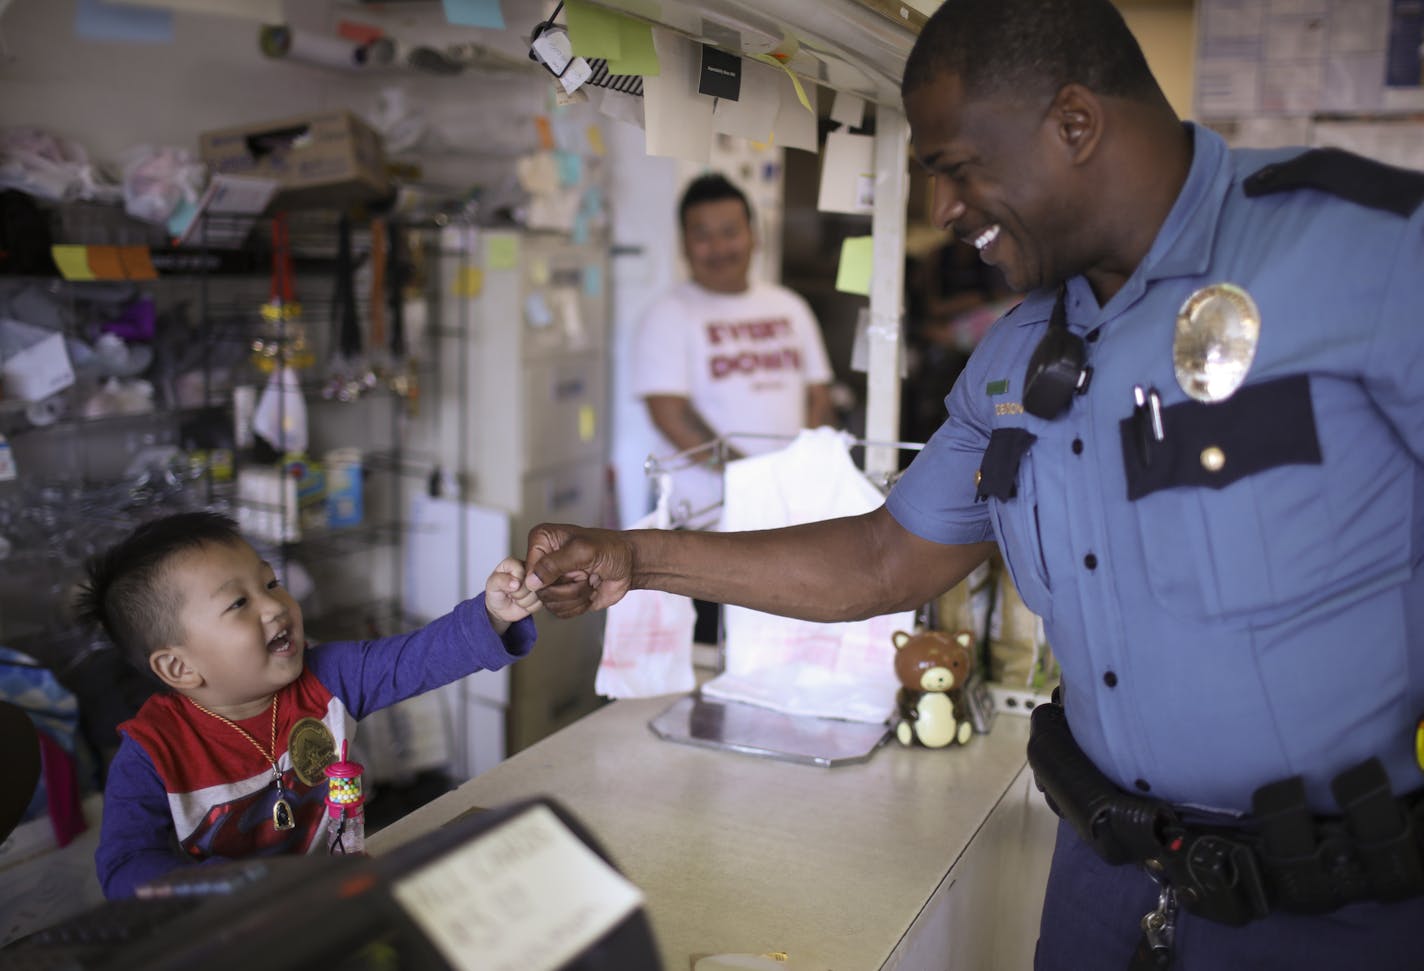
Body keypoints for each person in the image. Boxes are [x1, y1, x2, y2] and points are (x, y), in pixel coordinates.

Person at [522, 1, 1424, 968]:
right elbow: (882, 558)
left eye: (958, 168)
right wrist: (636, 557)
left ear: (1073, 124)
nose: (946, 211)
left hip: (1336, 916)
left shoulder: (1369, 256)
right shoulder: (1016, 357)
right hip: (1104, 888)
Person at [81, 511, 539, 899]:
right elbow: (125, 867)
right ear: (180, 668)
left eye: (271, 582)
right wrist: (232, 889)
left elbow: (417, 658)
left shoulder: (329, 676)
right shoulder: (151, 753)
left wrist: (494, 614)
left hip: (338, 898)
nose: (275, 606)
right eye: (239, 602)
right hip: (233, 932)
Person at [633, 172, 837, 643]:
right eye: (701, 235)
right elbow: (670, 413)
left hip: (791, 520)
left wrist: (799, 479)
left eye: (729, 231)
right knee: (716, 651)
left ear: (754, 235)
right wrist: (754, 485)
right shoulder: (668, 314)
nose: (718, 247)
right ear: (684, 244)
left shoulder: (789, 306)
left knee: (785, 646)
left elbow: (817, 397)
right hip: (708, 527)